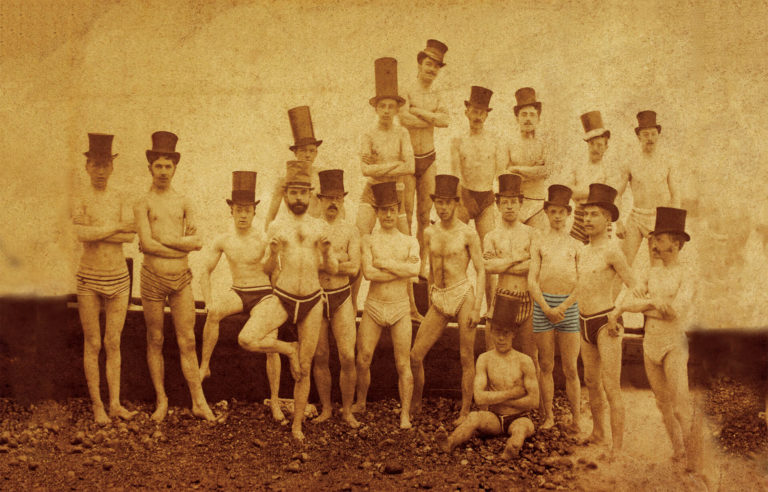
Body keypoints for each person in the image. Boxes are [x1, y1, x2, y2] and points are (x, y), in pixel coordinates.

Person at [237, 160, 337, 441]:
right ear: (286, 194)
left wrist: (328, 253)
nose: (298, 198)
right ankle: (287, 348)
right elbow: (267, 270)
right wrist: (272, 253)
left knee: (304, 369)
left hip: (312, 301)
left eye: (303, 193)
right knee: (246, 339)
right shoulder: (276, 226)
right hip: (283, 297)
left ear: (310, 194)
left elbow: (334, 268)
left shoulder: (319, 227)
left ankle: (297, 426)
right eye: (293, 192)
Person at [134, 131, 215, 422]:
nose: (164, 171)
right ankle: (162, 400)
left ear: (175, 168)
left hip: (181, 279)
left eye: (169, 166)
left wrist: (164, 239)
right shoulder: (142, 203)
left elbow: (198, 242)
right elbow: (146, 244)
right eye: (159, 166)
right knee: (155, 338)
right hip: (152, 279)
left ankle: (198, 401)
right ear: (150, 168)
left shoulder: (184, 202)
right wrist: (175, 243)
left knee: (188, 341)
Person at [197, 171, 284, 422]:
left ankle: (276, 401)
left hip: (263, 294)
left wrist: (272, 255)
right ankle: (205, 366)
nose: (243, 214)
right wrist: (208, 299)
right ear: (231, 211)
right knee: (213, 313)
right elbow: (204, 270)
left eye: (247, 209)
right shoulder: (224, 239)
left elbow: (274, 272)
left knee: (270, 337)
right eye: (238, 209)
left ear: (254, 212)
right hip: (238, 291)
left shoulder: (264, 238)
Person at [614, 207, 696, 466]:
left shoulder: (686, 274)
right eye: (654, 239)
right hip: (650, 345)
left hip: (673, 345)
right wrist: (653, 303)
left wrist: (646, 306)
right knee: (662, 404)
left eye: (659, 239)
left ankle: (693, 456)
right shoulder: (651, 273)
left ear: (676, 242)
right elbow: (628, 301)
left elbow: (674, 313)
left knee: (681, 405)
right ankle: (679, 450)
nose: (655, 244)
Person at [71, 133, 138, 425]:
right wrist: (114, 227)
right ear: (87, 166)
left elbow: (130, 233)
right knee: (93, 342)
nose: (100, 171)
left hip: (119, 280)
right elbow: (81, 234)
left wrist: (103, 230)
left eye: (104, 165)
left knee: (114, 342)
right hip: (88, 278)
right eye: (95, 164)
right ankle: (97, 405)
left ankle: (114, 404)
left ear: (112, 167)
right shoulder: (80, 197)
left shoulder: (121, 196)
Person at [410, 175, 485, 425]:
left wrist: (477, 307)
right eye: (438, 203)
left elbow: (481, 270)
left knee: (466, 356)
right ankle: (416, 403)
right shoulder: (429, 232)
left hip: (462, 293)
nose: (442, 208)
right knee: (415, 355)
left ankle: (464, 411)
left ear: (455, 203)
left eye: (447, 203)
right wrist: (432, 291)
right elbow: (431, 268)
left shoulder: (467, 234)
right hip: (440, 297)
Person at [353, 181, 421, 430]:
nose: (389, 214)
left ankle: (404, 414)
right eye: (384, 210)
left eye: (392, 209)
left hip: (400, 307)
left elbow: (415, 269)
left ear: (397, 209)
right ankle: (361, 402)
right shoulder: (369, 240)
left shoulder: (410, 241)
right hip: (373, 306)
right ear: (378, 212)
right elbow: (369, 273)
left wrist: (386, 264)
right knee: (363, 358)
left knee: (402, 362)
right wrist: (398, 271)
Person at [436, 296, 539, 459]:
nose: (501, 338)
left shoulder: (524, 361)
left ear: (513, 334)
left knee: (521, 429)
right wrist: (512, 393)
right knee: (473, 417)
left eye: (506, 333)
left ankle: (512, 448)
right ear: (491, 332)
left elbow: (534, 401)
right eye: (497, 333)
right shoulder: (485, 359)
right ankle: (450, 442)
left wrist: (496, 398)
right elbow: (479, 398)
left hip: (520, 417)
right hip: (495, 418)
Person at [354, 57, 418, 318]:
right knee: (360, 241)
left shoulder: (402, 133)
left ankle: (412, 307)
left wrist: (383, 165)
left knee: (406, 242)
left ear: (396, 108)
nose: (387, 110)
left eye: (391, 106)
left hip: (395, 193)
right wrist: (394, 165)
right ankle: (350, 303)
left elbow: (411, 166)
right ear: (376, 108)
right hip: (372, 192)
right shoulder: (368, 134)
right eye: (383, 106)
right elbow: (365, 171)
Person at [576, 183, 635, 458]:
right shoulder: (583, 251)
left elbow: (632, 285)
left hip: (606, 323)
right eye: (585, 214)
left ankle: (618, 447)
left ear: (608, 219)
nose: (587, 219)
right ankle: (598, 433)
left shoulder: (612, 251)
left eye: (594, 214)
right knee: (590, 379)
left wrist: (617, 312)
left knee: (611, 385)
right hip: (583, 321)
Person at [528, 184, 582, 432]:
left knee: (571, 367)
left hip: (569, 308)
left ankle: (577, 419)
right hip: (543, 307)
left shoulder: (577, 245)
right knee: (546, 365)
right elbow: (532, 280)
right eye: (553, 211)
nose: (558, 216)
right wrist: (547, 308)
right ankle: (548, 416)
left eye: (562, 211)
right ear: (546, 213)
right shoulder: (538, 242)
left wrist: (564, 306)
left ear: (568, 213)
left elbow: (583, 283)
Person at [311, 169, 361, 428]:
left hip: (341, 297)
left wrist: (330, 264)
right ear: (319, 199)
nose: (333, 203)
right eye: (328, 197)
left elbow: (354, 268)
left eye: (338, 198)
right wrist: (338, 260)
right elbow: (308, 264)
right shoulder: (311, 228)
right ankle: (327, 408)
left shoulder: (351, 231)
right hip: (317, 298)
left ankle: (347, 410)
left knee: (347, 356)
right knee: (320, 355)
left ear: (343, 201)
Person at [451, 85, 503, 308]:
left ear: (487, 115)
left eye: (482, 112)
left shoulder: (494, 140)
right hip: (464, 196)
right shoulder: (458, 140)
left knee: (488, 256)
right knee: (455, 251)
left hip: (486, 198)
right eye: (474, 111)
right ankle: (453, 303)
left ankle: (490, 307)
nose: (477, 116)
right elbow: (455, 173)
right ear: (467, 112)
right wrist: (462, 199)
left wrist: (500, 203)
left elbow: (500, 174)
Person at [399, 39, 450, 258]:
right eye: (429, 64)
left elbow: (445, 120)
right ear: (420, 64)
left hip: (429, 157)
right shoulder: (406, 89)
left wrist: (418, 112)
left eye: (437, 66)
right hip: (409, 158)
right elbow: (403, 118)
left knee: (424, 214)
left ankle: (421, 266)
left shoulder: (437, 94)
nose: (432, 69)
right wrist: (431, 118)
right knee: (407, 212)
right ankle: (407, 262)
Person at [613, 111, 681, 266]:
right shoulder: (630, 161)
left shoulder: (667, 161)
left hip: (659, 220)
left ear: (658, 135)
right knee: (622, 264)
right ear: (639, 137)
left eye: (653, 134)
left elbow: (675, 194)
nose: (650, 138)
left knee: (657, 268)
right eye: (645, 135)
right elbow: (617, 194)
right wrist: (618, 222)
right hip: (636, 217)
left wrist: (674, 227)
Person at [483, 174, 536, 365]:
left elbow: (535, 265)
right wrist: (518, 257)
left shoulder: (531, 233)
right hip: (503, 296)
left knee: (531, 357)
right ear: (498, 205)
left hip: (527, 298)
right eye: (505, 202)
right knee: (497, 355)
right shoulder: (491, 236)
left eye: (514, 201)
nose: (510, 206)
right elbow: (489, 266)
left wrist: (504, 264)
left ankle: (534, 396)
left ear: (521, 203)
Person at [264, 106, 325, 228]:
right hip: (294, 229)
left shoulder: (322, 176)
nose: (308, 155)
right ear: (295, 153)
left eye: (312, 151)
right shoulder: (284, 180)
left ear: (316, 153)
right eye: (303, 150)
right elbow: (271, 215)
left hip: (317, 230)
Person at [503, 88, 552, 230]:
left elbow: (546, 171)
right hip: (514, 205)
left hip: (537, 204)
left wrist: (518, 169)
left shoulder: (544, 142)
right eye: (524, 114)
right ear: (517, 118)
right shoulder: (509, 142)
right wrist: (533, 170)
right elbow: (503, 173)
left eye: (532, 115)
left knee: (536, 246)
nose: (528, 118)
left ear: (538, 118)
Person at [567, 111, 616, 244]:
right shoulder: (577, 166)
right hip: (579, 216)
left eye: (599, 145)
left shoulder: (609, 170)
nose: (595, 148)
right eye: (591, 144)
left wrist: (580, 193)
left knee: (601, 255)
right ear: (587, 144)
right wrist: (595, 192)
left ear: (606, 146)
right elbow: (569, 192)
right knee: (575, 252)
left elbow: (608, 198)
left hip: (601, 217)